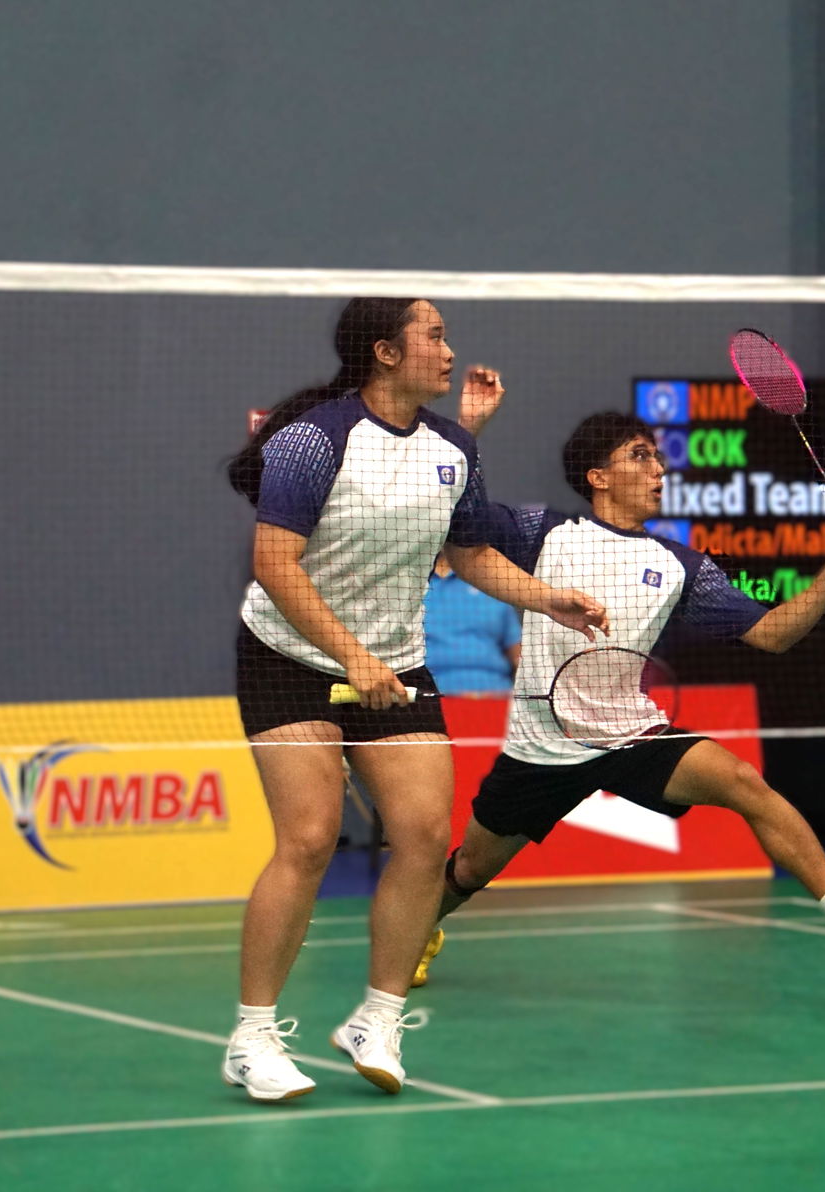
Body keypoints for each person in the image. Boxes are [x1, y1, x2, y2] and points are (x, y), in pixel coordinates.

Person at [221, 297, 608, 1103]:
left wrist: (545, 599)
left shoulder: (452, 449)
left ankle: (378, 1018)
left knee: (428, 836)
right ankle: (252, 1035)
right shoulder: (311, 442)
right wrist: (350, 657)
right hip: (287, 656)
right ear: (384, 353)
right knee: (310, 838)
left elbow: (467, 553)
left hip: (391, 663)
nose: (449, 349)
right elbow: (273, 563)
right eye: (432, 335)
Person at [409, 411, 825, 988]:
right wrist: (468, 427)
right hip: (543, 747)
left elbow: (773, 634)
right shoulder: (543, 532)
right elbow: (459, 516)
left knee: (746, 784)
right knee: (471, 867)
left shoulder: (679, 567)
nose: (659, 469)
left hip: (632, 734)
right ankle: (421, 928)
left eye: (657, 457)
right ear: (598, 477)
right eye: (640, 456)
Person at [423, 553, 521, 694]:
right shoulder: (411, 585)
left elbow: (516, 656)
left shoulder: (492, 581)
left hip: (494, 698)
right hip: (429, 699)